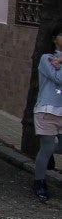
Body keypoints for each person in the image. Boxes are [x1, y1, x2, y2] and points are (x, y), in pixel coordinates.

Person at [31, 22, 62, 201]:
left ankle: (46, 153)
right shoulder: (46, 58)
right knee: (47, 146)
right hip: (47, 110)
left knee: (55, 148)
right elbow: (58, 78)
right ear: (54, 39)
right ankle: (39, 182)